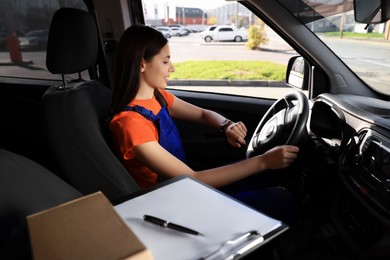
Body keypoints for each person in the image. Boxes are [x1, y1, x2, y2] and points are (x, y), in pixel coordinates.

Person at [109, 25, 299, 222]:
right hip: (172, 202)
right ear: (142, 64)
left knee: (267, 175)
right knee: (280, 197)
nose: (172, 67)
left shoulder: (158, 97)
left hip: (184, 186)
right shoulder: (131, 123)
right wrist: (263, 161)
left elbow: (202, 114)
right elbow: (193, 178)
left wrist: (226, 125)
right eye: (165, 61)